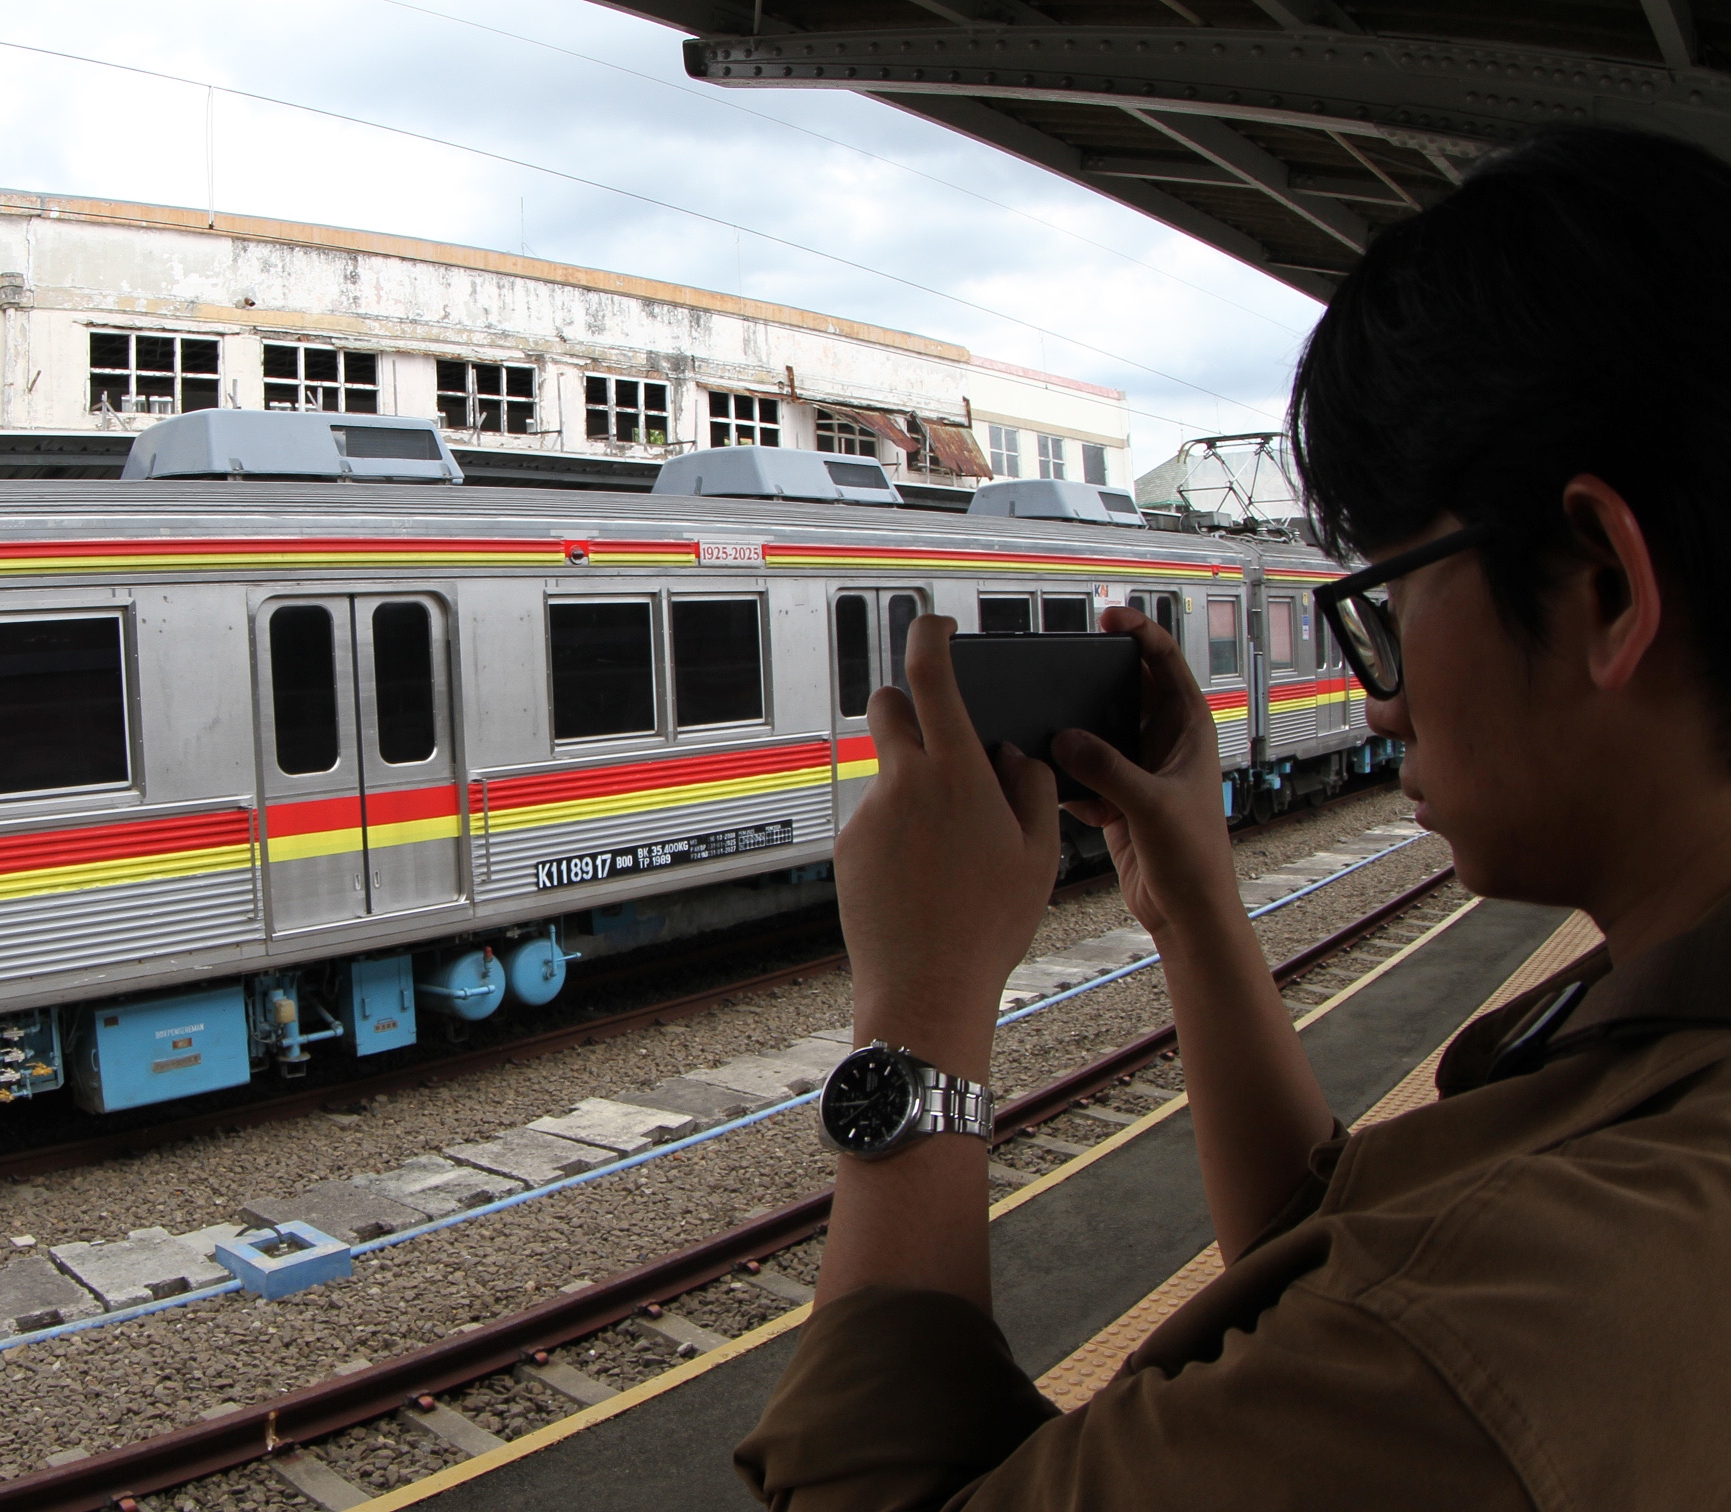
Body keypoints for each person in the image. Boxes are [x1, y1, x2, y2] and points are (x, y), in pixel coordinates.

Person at [736, 124, 1731, 1507]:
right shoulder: (1651, 1080)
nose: (1383, 702)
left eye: (1390, 605)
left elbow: (1387, 1332)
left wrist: (921, 1008)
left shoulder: (1494, 1330)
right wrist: (1193, 899)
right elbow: (1325, 1267)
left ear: (1604, 591)